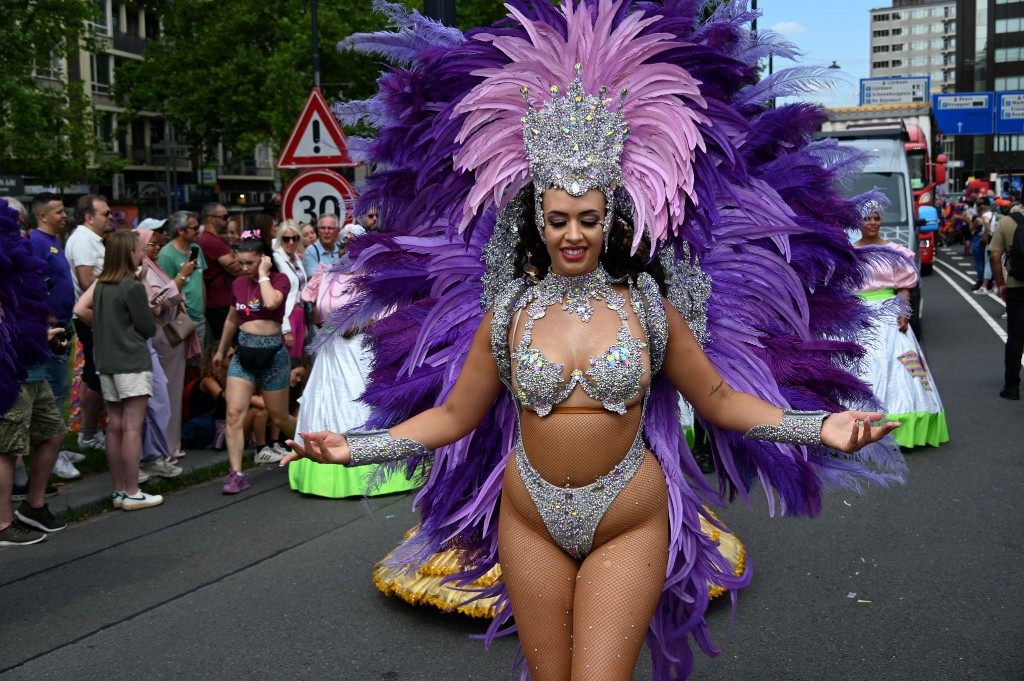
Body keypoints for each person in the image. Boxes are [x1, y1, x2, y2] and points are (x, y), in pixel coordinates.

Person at [284, 5, 907, 678]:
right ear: (536, 220)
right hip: (529, 518)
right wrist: (357, 447)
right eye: (558, 220)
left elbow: (723, 399)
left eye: (586, 218)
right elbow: (453, 416)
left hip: (628, 517)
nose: (572, 234)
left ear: (609, 215)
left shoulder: (649, 306)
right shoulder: (509, 313)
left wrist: (822, 429)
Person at [287, 261, 419, 498]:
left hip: (360, 350)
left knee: (361, 403)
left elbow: (387, 315)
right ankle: (322, 472)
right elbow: (318, 315)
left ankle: (373, 469)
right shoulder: (327, 275)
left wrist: (355, 324)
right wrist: (334, 323)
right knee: (326, 403)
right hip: (331, 350)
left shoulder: (376, 274)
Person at [0, 199, 68, 545]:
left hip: (34, 365)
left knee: (53, 432)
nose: (22, 230)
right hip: (12, 373)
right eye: (15, 223)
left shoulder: (17, 262)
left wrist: (44, 337)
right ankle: (2, 523)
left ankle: (34, 506)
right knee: (7, 449)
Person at [853, 201, 949, 447]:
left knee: (896, 368)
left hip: (890, 315)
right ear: (858, 223)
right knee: (861, 367)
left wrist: (905, 311)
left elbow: (904, 286)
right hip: (859, 315)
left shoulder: (896, 252)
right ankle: (854, 427)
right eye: (867, 219)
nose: (872, 223)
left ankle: (898, 428)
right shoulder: (850, 253)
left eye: (876, 218)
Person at [80, 231, 163, 511]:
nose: (143, 253)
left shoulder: (102, 284)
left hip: (107, 362)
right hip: (131, 360)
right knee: (132, 427)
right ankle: (132, 490)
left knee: (114, 426)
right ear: (130, 254)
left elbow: (85, 312)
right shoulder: (131, 286)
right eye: (140, 249)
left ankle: (119, 490)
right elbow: (148, 327)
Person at [212, 237, 296, 493]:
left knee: (280, 417)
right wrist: (220, 350)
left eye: (249, 263)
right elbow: (231, 318)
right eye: (240, 263)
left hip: (273, 356)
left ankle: (310, 449)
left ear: (263, 259)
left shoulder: (279, 280)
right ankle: (236, 473)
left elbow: (271, 303)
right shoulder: (238, 283)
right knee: (234, 413)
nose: (243, 268)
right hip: (243, 353)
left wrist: (262, 275)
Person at [27, 193, 84, 480]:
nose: (65, 215)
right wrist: (47, 317)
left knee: (59, 389)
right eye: (59, 211)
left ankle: (58, 444)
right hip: (51, 329)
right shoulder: (36, 242)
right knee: (53, 392)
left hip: (63, 323)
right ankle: (53, 453)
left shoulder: (54, 242)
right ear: (43, 215)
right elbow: (33, 283)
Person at [139, 227, 201, 462]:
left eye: (157, 244)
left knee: (171, 394)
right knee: (163, 395)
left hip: (169, 335)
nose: (157, 248)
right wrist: (183, 276)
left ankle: (170, 444)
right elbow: (157, 303)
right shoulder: (142, 269)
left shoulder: (150, 266)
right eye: (152, 244)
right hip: (161, 335)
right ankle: (164, 447)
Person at [64, 193, 111, 453]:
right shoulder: (83, 239)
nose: (110, 218)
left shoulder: (91, 238)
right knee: (95, 376)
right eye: (105, 214)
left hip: (95, 313)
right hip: (90, 315)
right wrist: (118, 276)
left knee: (93, 374)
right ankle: (90, 434)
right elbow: (85, 281)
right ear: (89, 217)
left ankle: (88, 432)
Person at [157, 211, 206, 357]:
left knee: (199, 362)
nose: (199, 231)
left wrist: (203, 309)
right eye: (195, 228)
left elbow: (201, 280)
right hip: (180, 318)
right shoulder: (166, 255)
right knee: (183, 362)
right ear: (181, 231)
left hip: (199, 316)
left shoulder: (197, 249)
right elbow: (165, 289)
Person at [989, 202, 1024, 400]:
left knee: (1016, 337)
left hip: (1016, 286)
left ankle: (1012, 387)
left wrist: (1001, 283)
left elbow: (995, 256)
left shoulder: (1008, 222)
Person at [198, 202, 243, 341]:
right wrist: (241, 262)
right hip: (219, 304)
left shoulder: (215, 240)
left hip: (222, 301)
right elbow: (240, 270)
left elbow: (237, 264)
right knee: (227, 346)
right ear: (211, 219)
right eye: (224, 217)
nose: (228, 220)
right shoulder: (210, 241)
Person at [272, 220, 308, 359]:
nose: (291, 242)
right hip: (287, 314)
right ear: (280, 239)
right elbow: (277, 296)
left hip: (300, 312)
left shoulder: (296, 258)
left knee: (297, 357)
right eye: (287, 238)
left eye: (295, 238)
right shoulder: (276, 258)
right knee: (288, 358)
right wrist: (285, 328)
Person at [301, 213, 342, 278]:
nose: (326, 231)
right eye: (323, 228)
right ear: (318, 231)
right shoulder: (311, 251)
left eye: (330, 228)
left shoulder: (343, 248)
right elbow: (314, 281)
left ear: (337, 231)